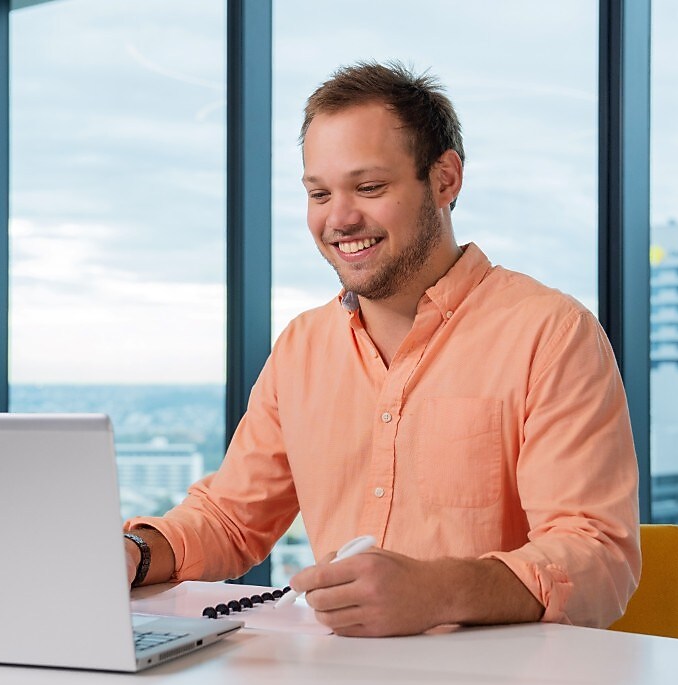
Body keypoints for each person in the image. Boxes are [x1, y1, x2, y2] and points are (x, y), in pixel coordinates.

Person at [123, 60, 640, 637]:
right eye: (319, 193)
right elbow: (230, 519)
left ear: (445, 180)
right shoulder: (302, 347)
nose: (339, 219)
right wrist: (133, 554)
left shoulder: (550, 332)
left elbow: (599, 558)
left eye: (368, 188)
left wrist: (438, 592)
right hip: (343, 683)